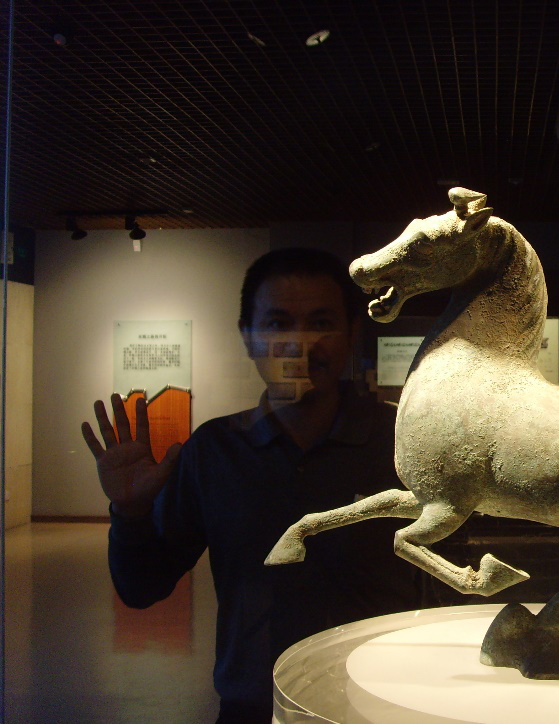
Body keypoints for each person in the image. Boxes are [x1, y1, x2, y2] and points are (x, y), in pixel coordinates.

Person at [81, 248, 421, 723]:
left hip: (382, 701)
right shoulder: (215, 451)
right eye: (278, 324)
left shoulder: (405, 441)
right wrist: (131, 514)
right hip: (254, 704)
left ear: (351, 334)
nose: (299, 343)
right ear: (248, 337)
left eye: (321, 323)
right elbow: (141, 589)